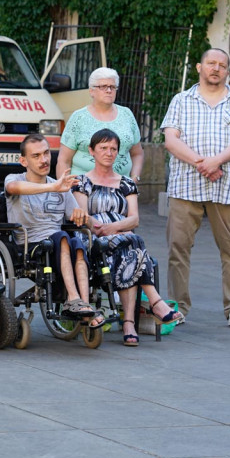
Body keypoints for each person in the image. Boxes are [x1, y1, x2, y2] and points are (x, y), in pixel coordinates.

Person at [161, 48, 230, 330]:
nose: (216, 68)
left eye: (222, 65)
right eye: (211, 63)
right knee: (178, 249)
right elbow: (170, 139)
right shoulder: (181, 100)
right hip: (184, 186)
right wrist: (202, 163)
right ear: (199, 67)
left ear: (228, 71)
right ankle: (177, 307)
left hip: (225, 187)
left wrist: (217, 161)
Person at [73, 128, 184, 346]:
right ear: (91, 151)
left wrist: (114, 227)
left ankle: (131, 323)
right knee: (135, 243)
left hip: (120, 238)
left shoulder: (126, 183)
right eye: (103, 148)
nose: (109, 152)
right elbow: (84, 217)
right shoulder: (82, 181)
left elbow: (134, 219)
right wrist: (105, 228)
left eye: (113, 148)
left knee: (130, 251)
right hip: (94, 239)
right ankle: (150, 308)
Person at [4, 133, 103, 327]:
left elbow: (90, 223)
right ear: (23, 160)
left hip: (58, 242)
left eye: (47, 153)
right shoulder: (16, 178)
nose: (44, 159)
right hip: (29, 245)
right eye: (36, 156)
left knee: (77, 242)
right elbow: (14, 188)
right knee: (63, 237)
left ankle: (84, 305)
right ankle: (72, 299)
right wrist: (53, 187)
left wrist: (84, 217)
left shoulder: (60, 187)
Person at [57, 67, 144, 180]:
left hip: (121, 188)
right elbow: (64, 160)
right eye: (103, 86)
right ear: (91, 91)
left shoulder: (127, 114)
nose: (109, 90)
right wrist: (66, 191)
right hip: (82, 189)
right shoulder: (78, 117)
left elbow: (137, 153)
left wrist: (134, 179)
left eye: (112, 87)